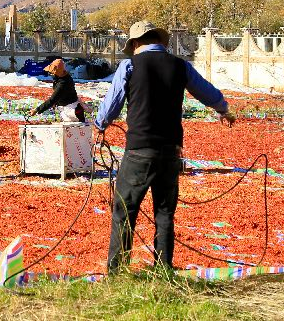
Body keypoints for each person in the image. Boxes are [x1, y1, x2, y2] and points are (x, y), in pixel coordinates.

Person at [95, 21, 235, 273]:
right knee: (164, 212)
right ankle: (163, 269)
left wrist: (100, 124)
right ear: (159, 41)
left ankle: (118, 273)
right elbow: (207, 92)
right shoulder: (180, 66)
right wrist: (223, 109)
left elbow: (111, 105)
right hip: (171, 151)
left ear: (136, 44)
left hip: (139, 150)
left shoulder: (130, 65)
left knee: (124, 210)